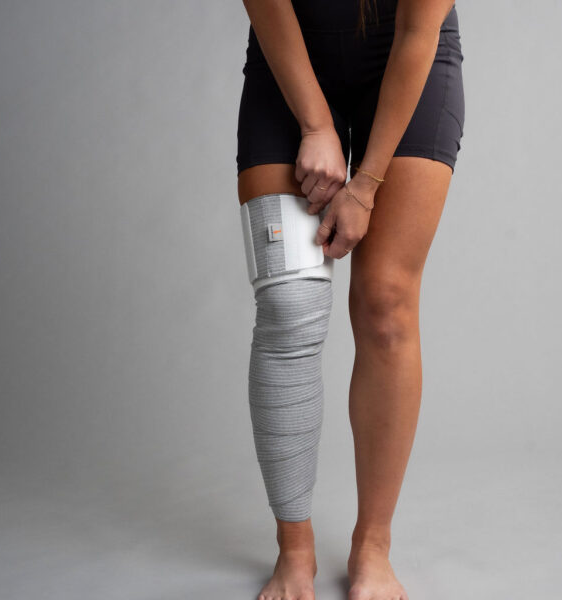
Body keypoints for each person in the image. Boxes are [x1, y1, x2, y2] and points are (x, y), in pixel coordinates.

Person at [236, 0, 465, 598]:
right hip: (289, 54)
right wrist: (316, 127)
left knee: (385, 304)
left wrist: (365, 186)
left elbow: (417, 30)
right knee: (288, 305)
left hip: (408, 53)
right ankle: (294, 548)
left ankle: (373, 545)